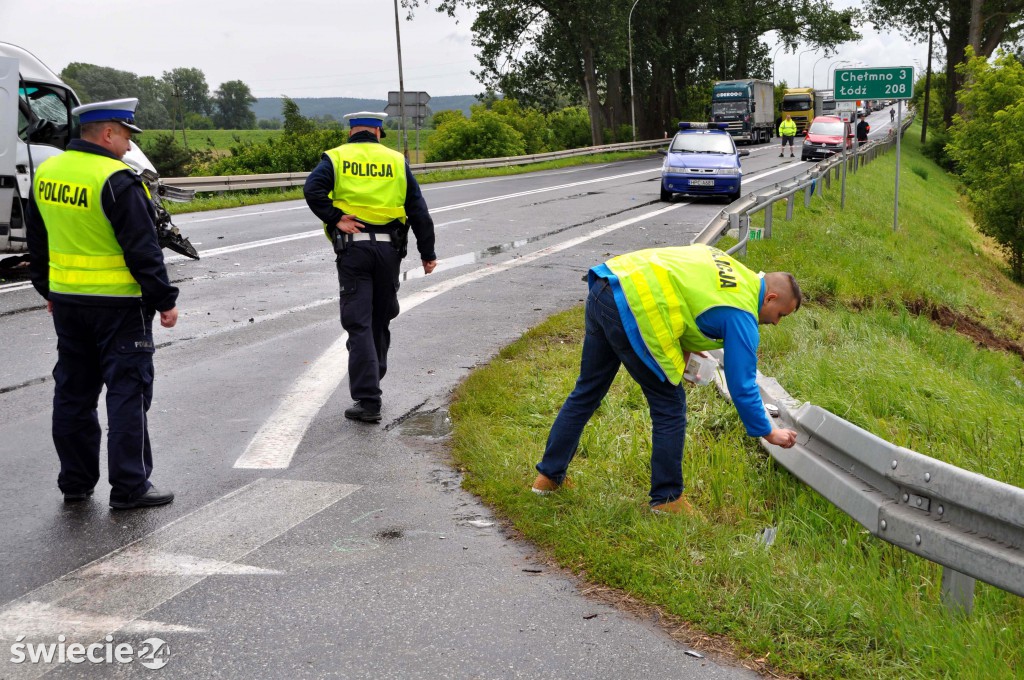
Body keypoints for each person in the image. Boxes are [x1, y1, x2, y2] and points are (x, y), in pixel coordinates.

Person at [532, 245, 801, 514]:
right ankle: (667, 499)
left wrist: (687, 350)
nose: (777, 323)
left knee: (587, 391)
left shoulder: (729, 264)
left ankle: (548, 478)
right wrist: (769, 431)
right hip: (635, 307)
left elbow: (682, 293)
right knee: (670, 407)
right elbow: (742, 386)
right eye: (781, 315)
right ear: (770, 298)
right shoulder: (742, 314)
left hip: (608, 284)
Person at [26, 98, 178, 510]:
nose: (130, 147)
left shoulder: (47, 173)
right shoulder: (116, 179)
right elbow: (143, 250)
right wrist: (164, 299)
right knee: (127, 393)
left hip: (69, 305)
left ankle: (75, 484)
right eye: (127, 136)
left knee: (73, 395)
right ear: (108, 132)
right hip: (119, 308)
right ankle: (130, 487)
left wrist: (49, 290)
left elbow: (37, 244)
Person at [304, 112, 438, 424]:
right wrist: (427, 252)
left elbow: (312, 190)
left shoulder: (337, 158)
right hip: (389, 251)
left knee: (359, 322)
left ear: (350, 131)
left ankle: (368, 399)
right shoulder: (395, 161)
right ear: (378, 132)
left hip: (355, 251)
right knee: (379, 318)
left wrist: (336, 216)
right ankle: (373, 382)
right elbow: (418, 209)